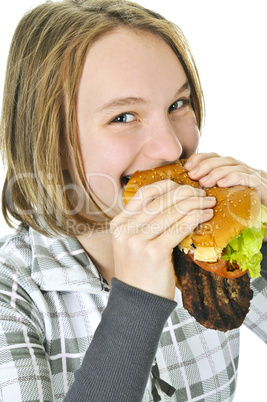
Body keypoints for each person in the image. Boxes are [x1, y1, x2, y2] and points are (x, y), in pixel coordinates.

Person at [0, 0, 267, 401]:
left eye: (178, 105)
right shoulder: (14, 296)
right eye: (123, 116)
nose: (170, 147)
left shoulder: (212, 243)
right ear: (49, 141)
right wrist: (137, 302)